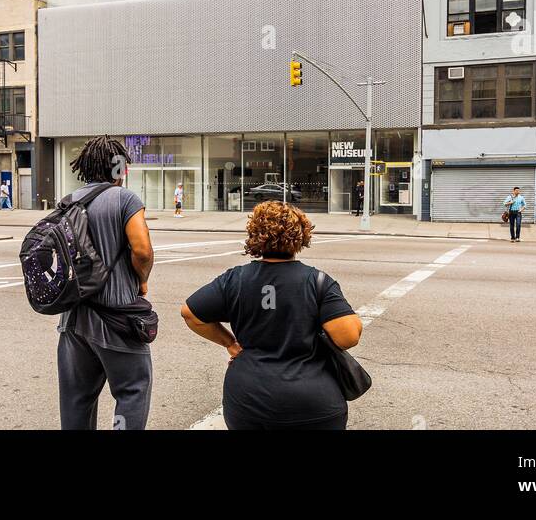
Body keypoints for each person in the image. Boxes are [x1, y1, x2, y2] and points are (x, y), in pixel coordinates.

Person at [181, 200, 362, 432]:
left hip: (250, 402)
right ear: (301, 237)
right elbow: (348, 337)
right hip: (312, 403)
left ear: (255, 235)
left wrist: (230, 343)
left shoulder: (234, 279)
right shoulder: (317, 281)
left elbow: (190, 313)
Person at [57, 135, 155, 431]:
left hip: (73, 320)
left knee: (77, 399)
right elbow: (142, 250)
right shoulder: (125, 199)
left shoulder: (69, 202)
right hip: (117, 317)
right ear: (120, 168)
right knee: (133, 389)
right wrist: (143, 280)